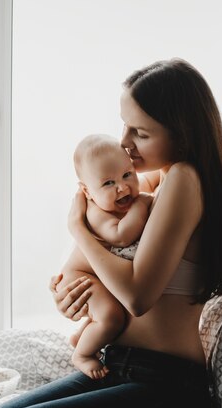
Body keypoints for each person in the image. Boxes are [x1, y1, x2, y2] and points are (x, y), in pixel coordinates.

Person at [0, 58, 222, 408]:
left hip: (164, 380)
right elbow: (94, 262)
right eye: (125, 126)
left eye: (141, 133)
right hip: (116, 364)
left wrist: (77, 229)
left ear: (183, 134)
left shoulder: (185, 179)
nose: (125, 143)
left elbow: (137, 296)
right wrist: (71, 294)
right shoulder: (150, 183)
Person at [61, 133, 153, 379]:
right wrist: (142, 204)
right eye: (108, 183)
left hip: (97, 276)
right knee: (111, 318)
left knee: (107, 314)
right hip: (81, 276)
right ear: (87, 192)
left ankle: (81, 336)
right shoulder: (95, 213)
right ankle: (82, 354)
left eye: (127, 175)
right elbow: (121, 236)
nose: (122, 187)